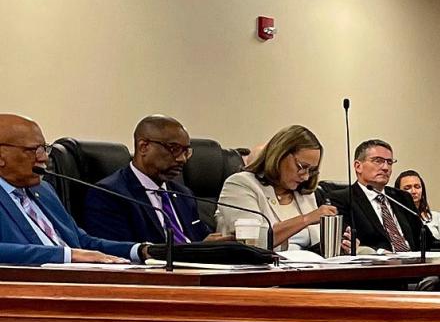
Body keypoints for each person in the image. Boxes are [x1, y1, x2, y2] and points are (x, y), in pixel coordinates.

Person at [0, 114, 146, 265]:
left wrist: (141, 250)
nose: (43, 158)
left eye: (44, 148)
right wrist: (67, 255)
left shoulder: (44, 190)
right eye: (33, 150)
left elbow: (81, 242)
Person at [82, 115, 210, 244]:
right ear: (144, 147)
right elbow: (118, 251)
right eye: (174, 149)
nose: (182, 159)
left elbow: (200, 239)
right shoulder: (109, 194)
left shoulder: (184, 195)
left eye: (186, 151)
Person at [216, 125, 337, 252]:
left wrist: (339, 243)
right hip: (261, 269)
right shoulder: (240, 184)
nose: (306, 176)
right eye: (302, 166)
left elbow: (316, 243)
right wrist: (306, 219)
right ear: (279, 155)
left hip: (307, 267)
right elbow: (254, 242)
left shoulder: (304, 193)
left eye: (311, 170)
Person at [327, 140, 440, 252]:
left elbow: (428, 242)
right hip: (376, 268)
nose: (385, 168)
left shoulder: (402, 197)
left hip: (413, 264)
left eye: (389, 162)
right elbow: (347, 244)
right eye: (378, 161)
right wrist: (379, 253)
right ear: (358, 166)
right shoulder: (342, 199)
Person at [395, 169, 440, 244]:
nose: (414, 191)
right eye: (407, 188)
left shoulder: (438, 217)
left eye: (417, 187)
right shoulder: (393, 217)